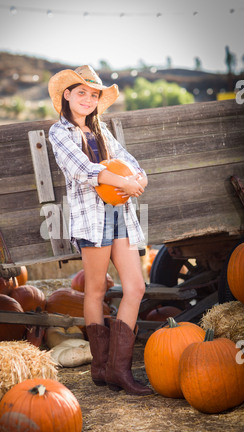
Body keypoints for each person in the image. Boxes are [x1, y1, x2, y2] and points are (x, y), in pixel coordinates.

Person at [48, 65, 152, 396]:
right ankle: (101, 366)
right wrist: (122, 180)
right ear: (67, 95)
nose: (88, 99)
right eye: (82, 93)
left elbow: (130, 161)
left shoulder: (101, 131)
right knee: (95, 290)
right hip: (90, 219)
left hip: (119, 213)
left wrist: (138, 179)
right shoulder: (59, 132)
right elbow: (82, 169)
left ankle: (119, 370)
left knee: (135, 286)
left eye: (94, 95)